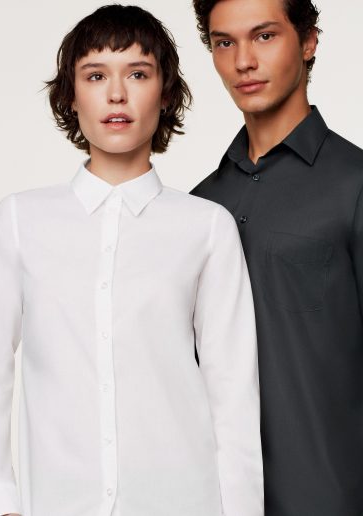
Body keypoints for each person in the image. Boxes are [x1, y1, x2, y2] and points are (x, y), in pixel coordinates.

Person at [0, 5, 263, 516]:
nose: (117, 94)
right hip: (57, 503)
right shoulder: (19, 220)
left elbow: (233, 392)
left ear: (164, 93)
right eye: (96, 75)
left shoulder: (207, 227)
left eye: (138, 74)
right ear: (71, 94)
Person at [190, 0, 363, 515]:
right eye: (224, 42)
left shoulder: (354, 185)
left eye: (264, 36)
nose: (243, 61)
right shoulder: (199, 207)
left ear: (308, 41)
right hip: (214, 500)